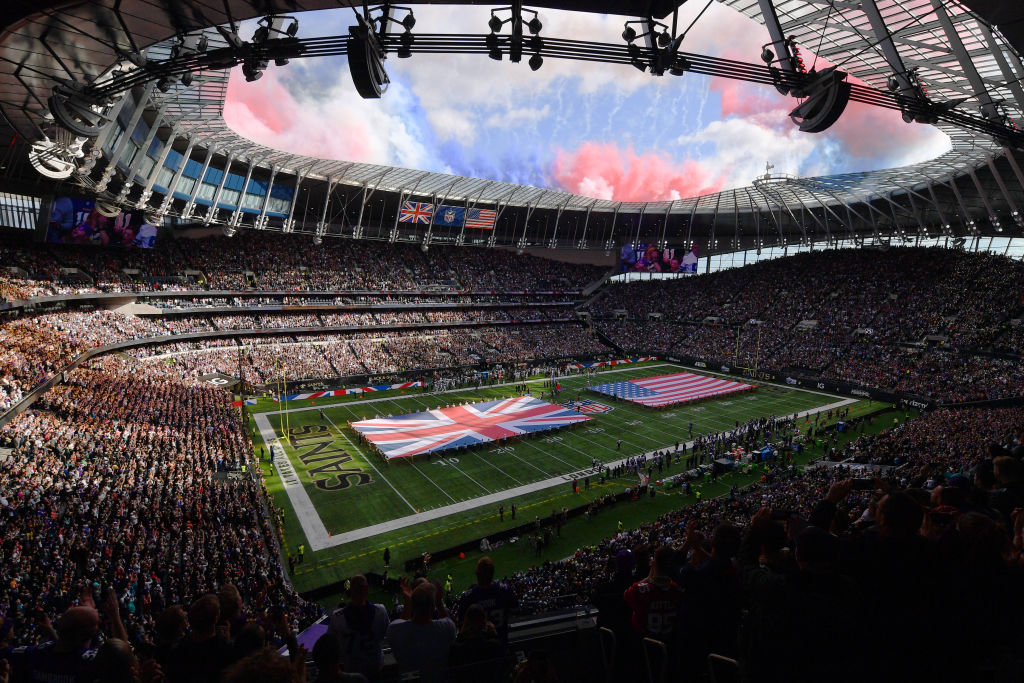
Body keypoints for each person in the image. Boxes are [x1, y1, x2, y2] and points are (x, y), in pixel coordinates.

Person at [386, 582, 456, 683]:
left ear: (413, 605)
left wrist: (408, 603)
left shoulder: (394, 630)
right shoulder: (446, 628)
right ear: (433, 607)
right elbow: (449, 622)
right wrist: (439, 602)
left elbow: (400, 624)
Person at [327, 575, 389, 678]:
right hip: (376, 668)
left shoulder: (337, 617)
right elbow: (388, 634)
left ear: (350, 591)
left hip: (351, 671)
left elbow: (330, 646)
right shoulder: (381, 611)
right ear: (367, 589)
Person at [623, 546, 684, 643]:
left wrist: (648, 577)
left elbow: (626, 595)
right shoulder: (677, 590)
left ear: (653, 564)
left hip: (644, 645)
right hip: (671, 644)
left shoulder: (640, 589)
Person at [457, 557, 519, 645]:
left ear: (476, 574)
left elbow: (461, 626)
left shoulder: (467, 597)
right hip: (501, 644)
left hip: (476, 648)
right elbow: (515, 610)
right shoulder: (505, 590)